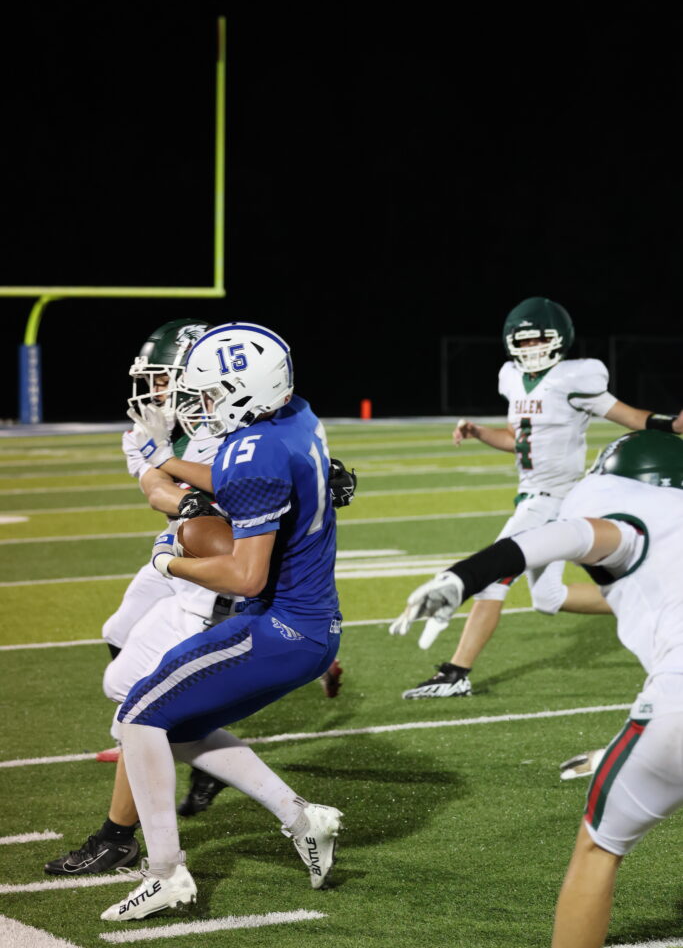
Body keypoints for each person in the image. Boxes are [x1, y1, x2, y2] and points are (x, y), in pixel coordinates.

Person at [391, 428, 683, 948]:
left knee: (598, 848)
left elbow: (559, 538)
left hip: (675, 710)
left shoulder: (628, 521)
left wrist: (461, 578)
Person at [101, 322, 343, 922]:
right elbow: (236, 477)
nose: (202, 405)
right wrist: (168, 459)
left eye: (211, 393)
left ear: (244, 391)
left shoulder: (256, 451)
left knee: (138, 713)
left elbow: (245, 577)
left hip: (280, 627)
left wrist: (170, 560)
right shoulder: (293, 418)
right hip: (306, 624)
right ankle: (301, 818)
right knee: (175, 725)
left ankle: (165, 873)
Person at [397, 296, 683, 700]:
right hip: (532, 494)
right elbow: (516, 440)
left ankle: (457, 673)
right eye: (524, 341)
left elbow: (627, 415)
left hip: (556, 498)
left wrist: (670, 424)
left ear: (558, 338)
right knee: (548, 598)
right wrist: (479, 432)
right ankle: (658, 596)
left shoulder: (574, 378)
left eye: (539, 339)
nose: (531, 348)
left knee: (492, 578)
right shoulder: (512, 378)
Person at [44, 319, 233, 875]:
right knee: (119, 633)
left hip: (214, 563)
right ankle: (180, 746)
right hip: (176, 546)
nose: (154, 390)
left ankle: (127, 820)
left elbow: (232, 491)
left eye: (163, 378)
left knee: (141, 695)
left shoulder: (232, 421)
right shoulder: (151, 428)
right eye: (151, 379)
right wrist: (174, 481)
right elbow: (155, 490)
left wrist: (173, 473)